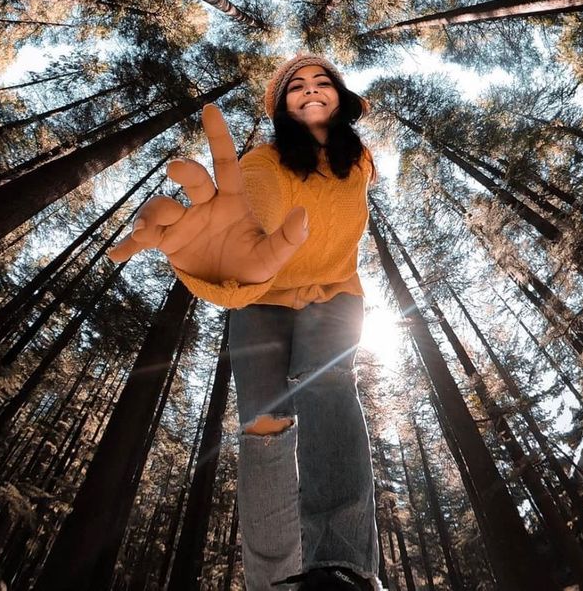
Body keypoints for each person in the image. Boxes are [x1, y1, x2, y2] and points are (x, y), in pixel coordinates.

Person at [109, 55, 381, 591]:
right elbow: (260, 195)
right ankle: (274, 580)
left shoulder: (361, 160)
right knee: (262, 423)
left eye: (320, 82)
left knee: (326, 383)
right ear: (282, 106)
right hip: (262, 299)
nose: (309, 91)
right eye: (295, 87)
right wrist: (245, 248)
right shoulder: (265, 158)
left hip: (334, 293)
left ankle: (342, 569)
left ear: (339, 96)